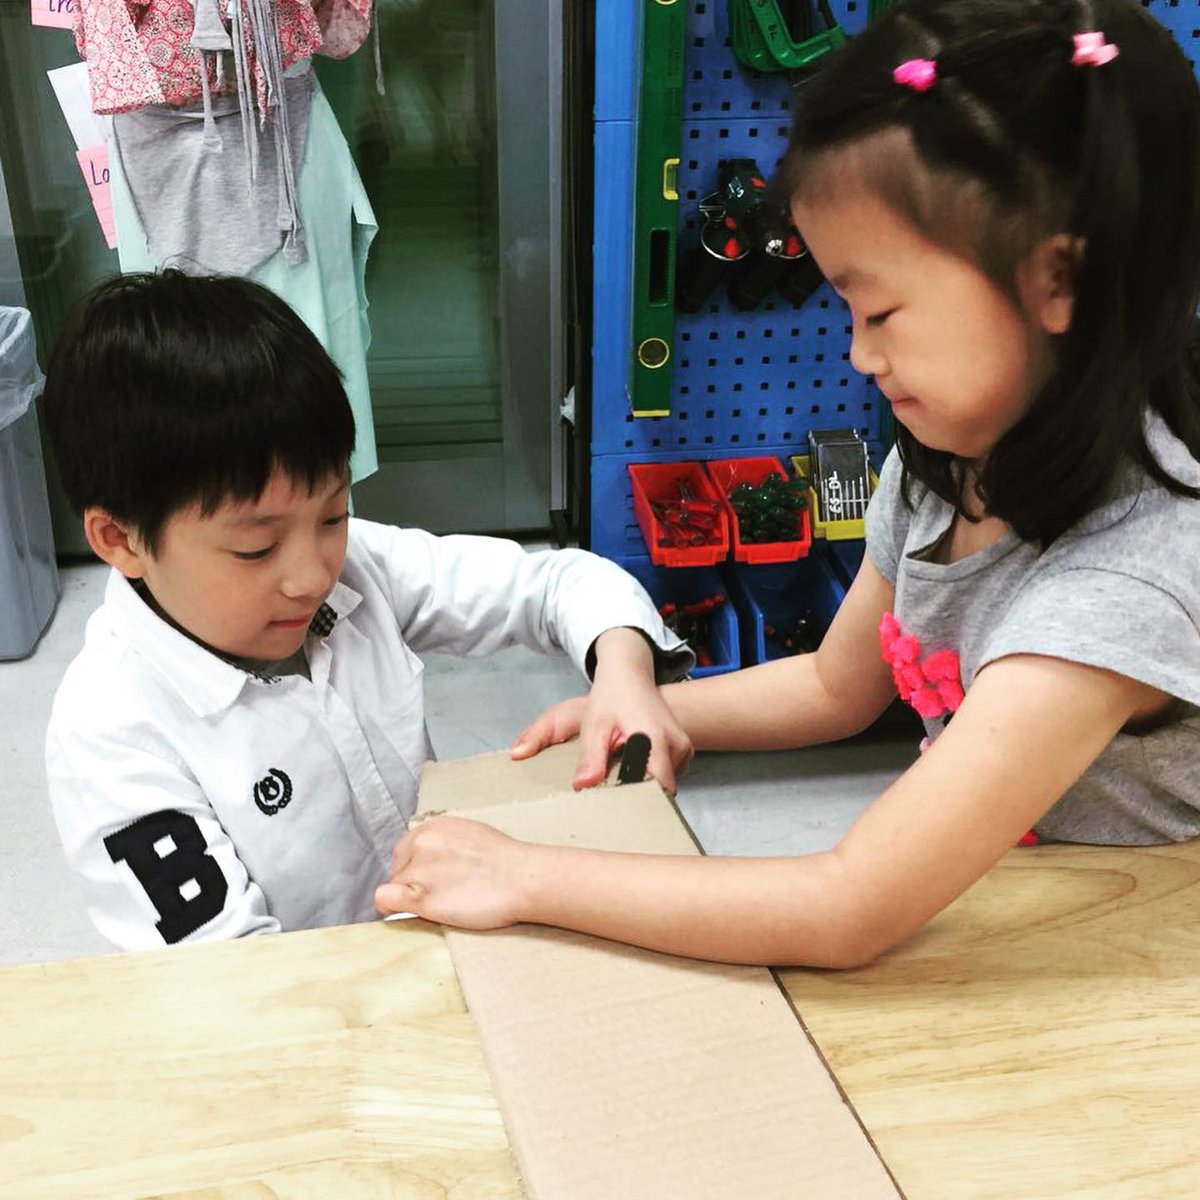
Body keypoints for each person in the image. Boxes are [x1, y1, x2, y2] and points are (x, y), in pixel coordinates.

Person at [377, 0, 1200, 968]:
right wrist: (661, 708)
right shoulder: (950, 463)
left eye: (881, 312)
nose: (857, 355)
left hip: (1136, 960)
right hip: (1016, 908)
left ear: (1057, 281)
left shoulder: (1120, 587)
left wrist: (524, 876)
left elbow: (848, 908)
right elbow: (835, 685)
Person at [42, 270, 694, 950]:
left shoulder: (360, 564)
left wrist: (623, 669)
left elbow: (556, 583)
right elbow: (230, 973)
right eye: (256, 548)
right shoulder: (112, 735)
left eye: (333, 514)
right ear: (121, 540)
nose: (312, 576)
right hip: (329, 996)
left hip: (451, 932)